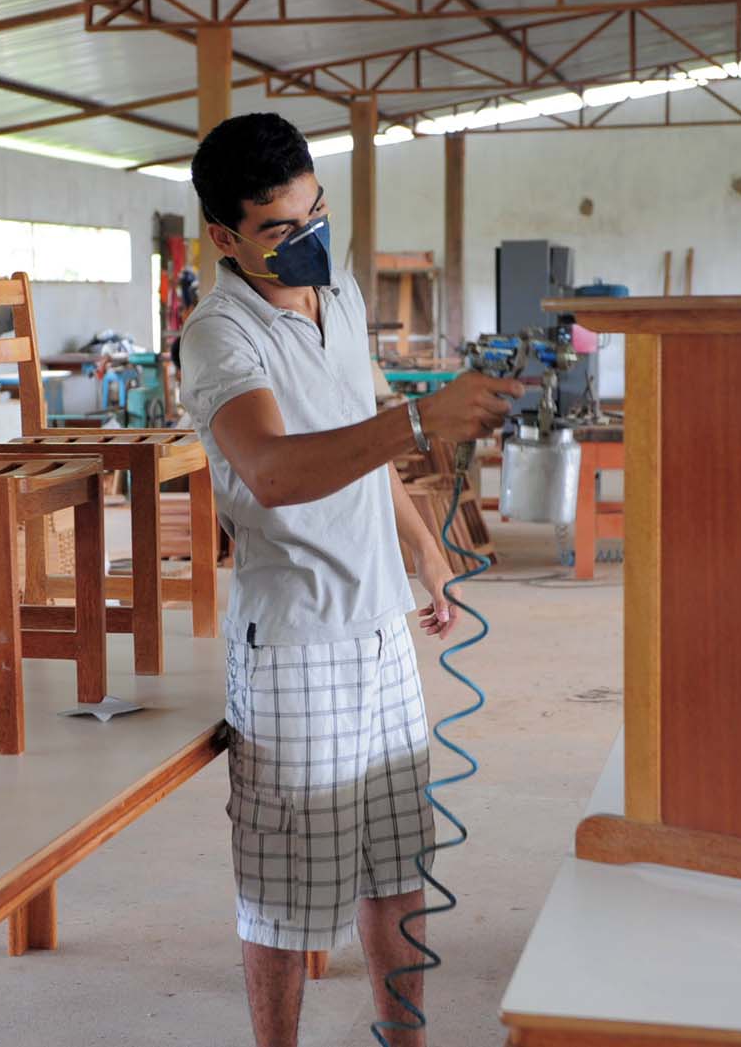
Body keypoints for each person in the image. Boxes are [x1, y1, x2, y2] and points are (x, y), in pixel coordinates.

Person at [179, 112, 522, 1047]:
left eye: (317, 212)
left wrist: (422, 547)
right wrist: (420, 422)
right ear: (225, 238)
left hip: (379, 626)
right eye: (283, 231)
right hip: (298, 641)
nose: (312, 240)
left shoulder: (336, 296)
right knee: (286, 898)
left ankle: (403, 1039)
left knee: (396, 865)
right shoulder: (219, 337)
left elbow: (356, 432)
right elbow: (279, 469)